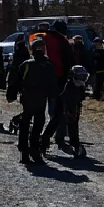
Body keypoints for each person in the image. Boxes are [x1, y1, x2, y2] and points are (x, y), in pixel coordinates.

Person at [17, 38, 58, 164]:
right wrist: (52, 96)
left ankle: (24, 152)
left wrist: (14, 93)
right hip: (41, 98)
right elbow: (53, 84)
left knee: (25, 123)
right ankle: (35, 150)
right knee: (38, 124)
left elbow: (18, 79)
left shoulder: (27, 64)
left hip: (28, 97)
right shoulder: (48, 65)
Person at [41, 20, 74, 154]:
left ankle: (41, 137)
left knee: (40, 110)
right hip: (58, 78)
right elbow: (68, 61)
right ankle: (56, 136)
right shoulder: (62, 41)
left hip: (41, 78)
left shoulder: (43, 38)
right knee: (58, 111)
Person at [61, 65, 90, 156]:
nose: (82, 78)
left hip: (76, 107)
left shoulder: (81, 85)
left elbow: (81, 97)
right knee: (60, 123)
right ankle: (58, 140)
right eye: (80, 75)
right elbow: (64, 98)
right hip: (66, 107)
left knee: (74, 125)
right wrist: (67, 110)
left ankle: (74, 143)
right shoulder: (69, 85)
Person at [5, 36, 29, 134]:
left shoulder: (16, 56)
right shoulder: (26, 57)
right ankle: (21, 121)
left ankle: (18, 121)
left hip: (18, 82)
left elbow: (13, 72)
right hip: (26, 84)